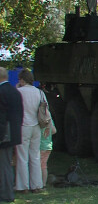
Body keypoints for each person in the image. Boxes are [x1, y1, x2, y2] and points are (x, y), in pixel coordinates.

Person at [15, 69, 44, 193]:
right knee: (35, 156)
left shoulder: (19, 92)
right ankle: (36, 185)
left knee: (22, 157)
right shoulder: (39, 92)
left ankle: (23, 186)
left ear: (22, 79)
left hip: (23, 125)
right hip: (36, 125)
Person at [0, 67, 24, 202]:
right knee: (6, 165)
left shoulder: (1, 92)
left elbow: (1, 117)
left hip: (4, 133)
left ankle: (5, 194)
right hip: (13, 132)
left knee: (3, 166)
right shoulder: (15, 92)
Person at [40, 120, 56, 188]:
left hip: (40, 146)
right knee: (43, 165)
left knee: (37, 165)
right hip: (48, 145)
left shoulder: (38, 119)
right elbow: (54, 131)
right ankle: (43, 184)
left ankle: (38, 183)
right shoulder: (49, 117)